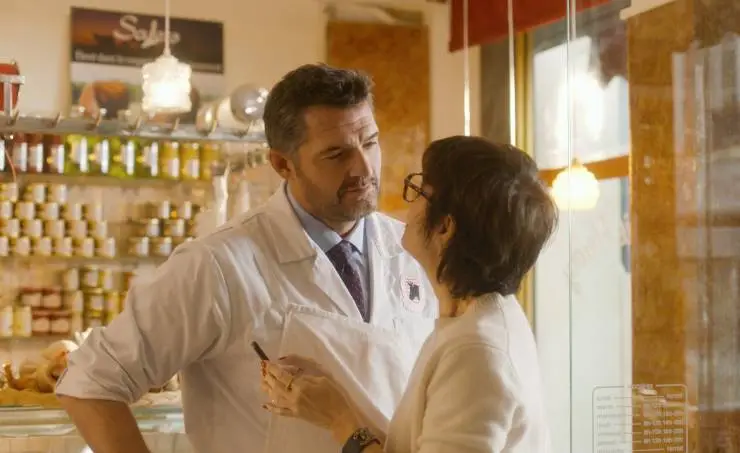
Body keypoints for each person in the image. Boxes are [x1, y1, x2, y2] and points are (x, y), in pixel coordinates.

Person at [55, 64, 437, 453]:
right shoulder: (217, 265)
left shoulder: (413, 249)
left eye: (370, 142)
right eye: (336, 154)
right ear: (283, 164)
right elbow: (92, 381)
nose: (363, 168)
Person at [261, 136, 558, 453]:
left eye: (419, 192)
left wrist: (338, 418)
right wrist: (338, 397)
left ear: (444, 227)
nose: (408, 205)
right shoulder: (472, 320)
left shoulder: (475, 350)